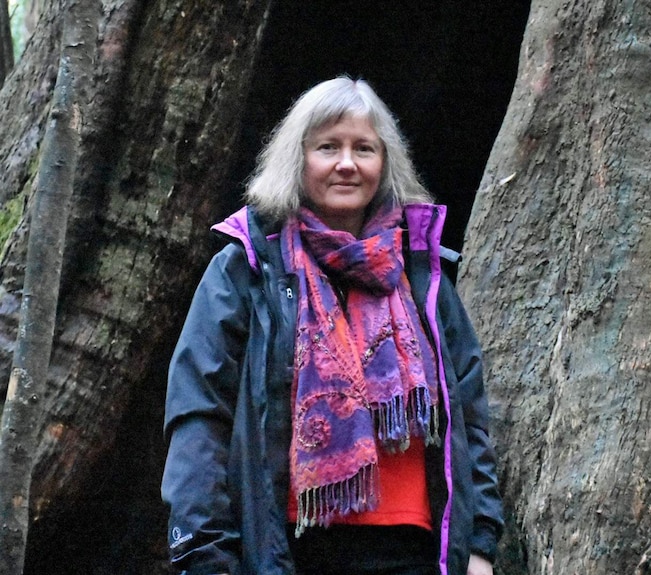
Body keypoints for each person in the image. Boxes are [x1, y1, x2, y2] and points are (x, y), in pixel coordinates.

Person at [161, 77, 504, 575]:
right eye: (328, 147)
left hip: (415, 551)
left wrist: (478, 546)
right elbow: (199, 411)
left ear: (384, 163)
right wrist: (204, 551)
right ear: (298, 161)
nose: (347, 163)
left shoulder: (423, 274)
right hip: (295, 549)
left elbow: (469, 417)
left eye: (364, 148)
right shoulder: (247, 268)